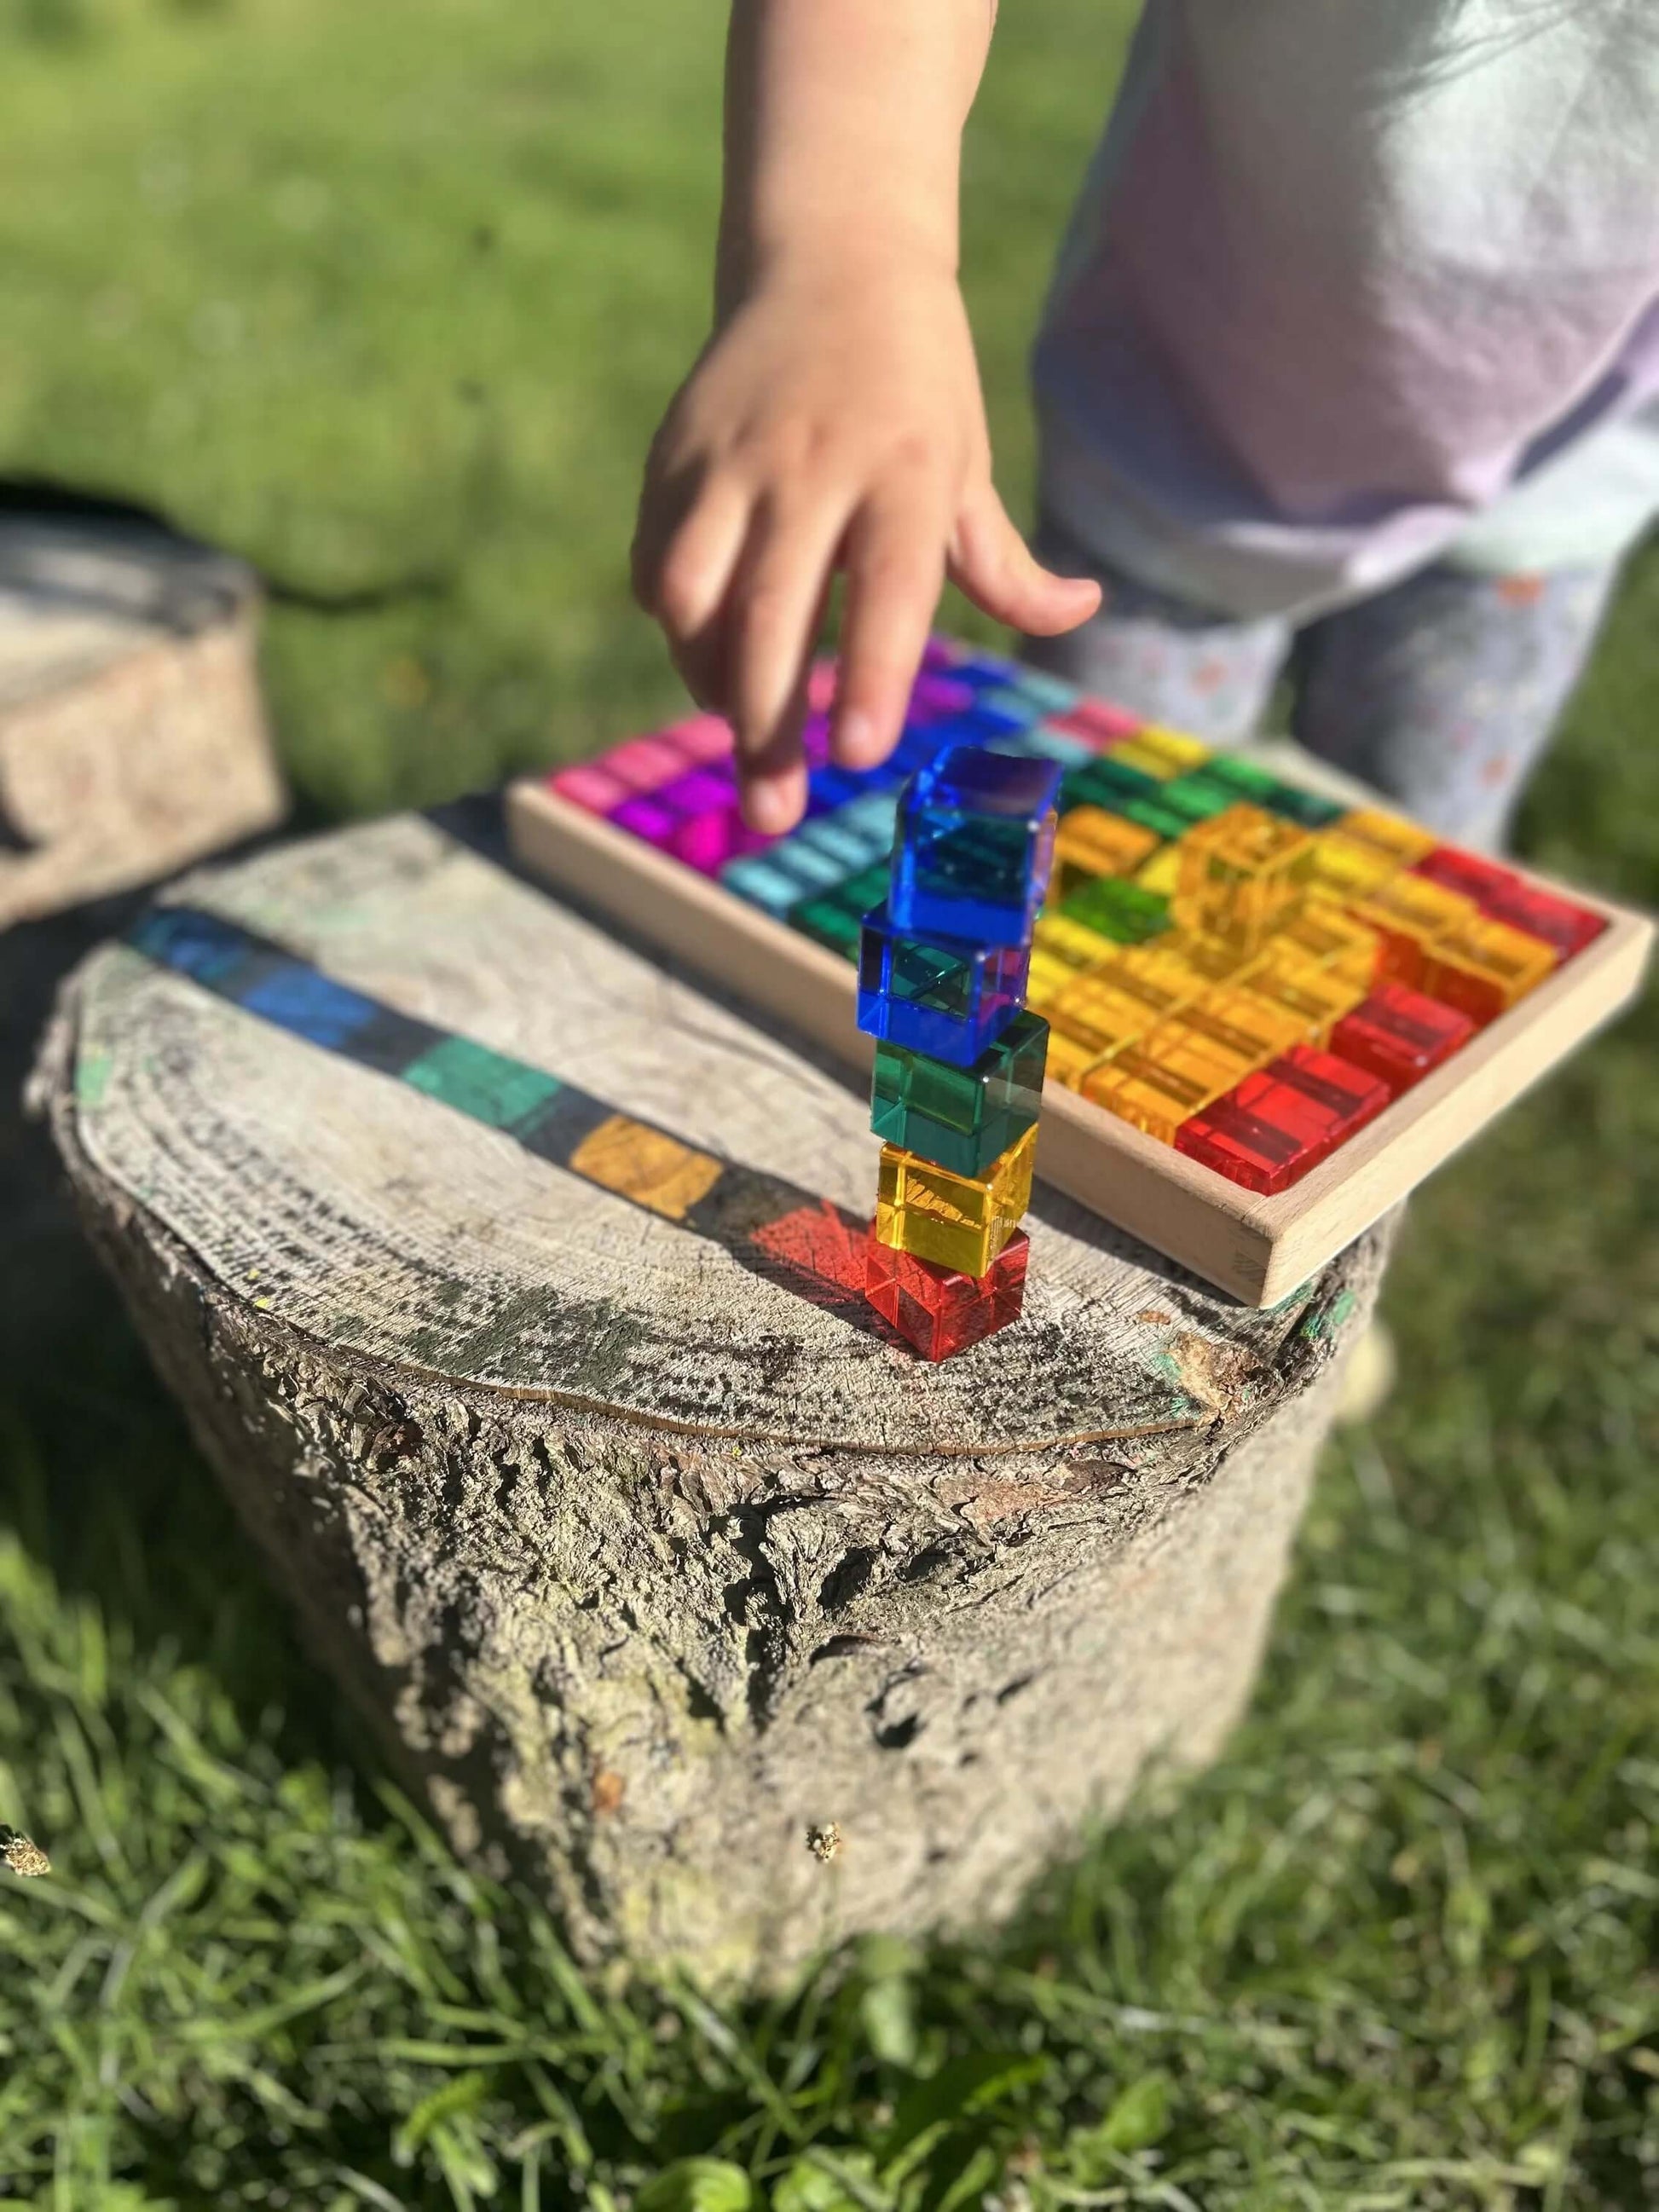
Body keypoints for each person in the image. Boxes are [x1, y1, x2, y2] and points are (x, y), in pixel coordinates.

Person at [631, 1, 1659, 849]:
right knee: (1089, 873)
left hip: (1551, 475)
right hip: (1177, 450)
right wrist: (844, 247)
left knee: (1400, 916)